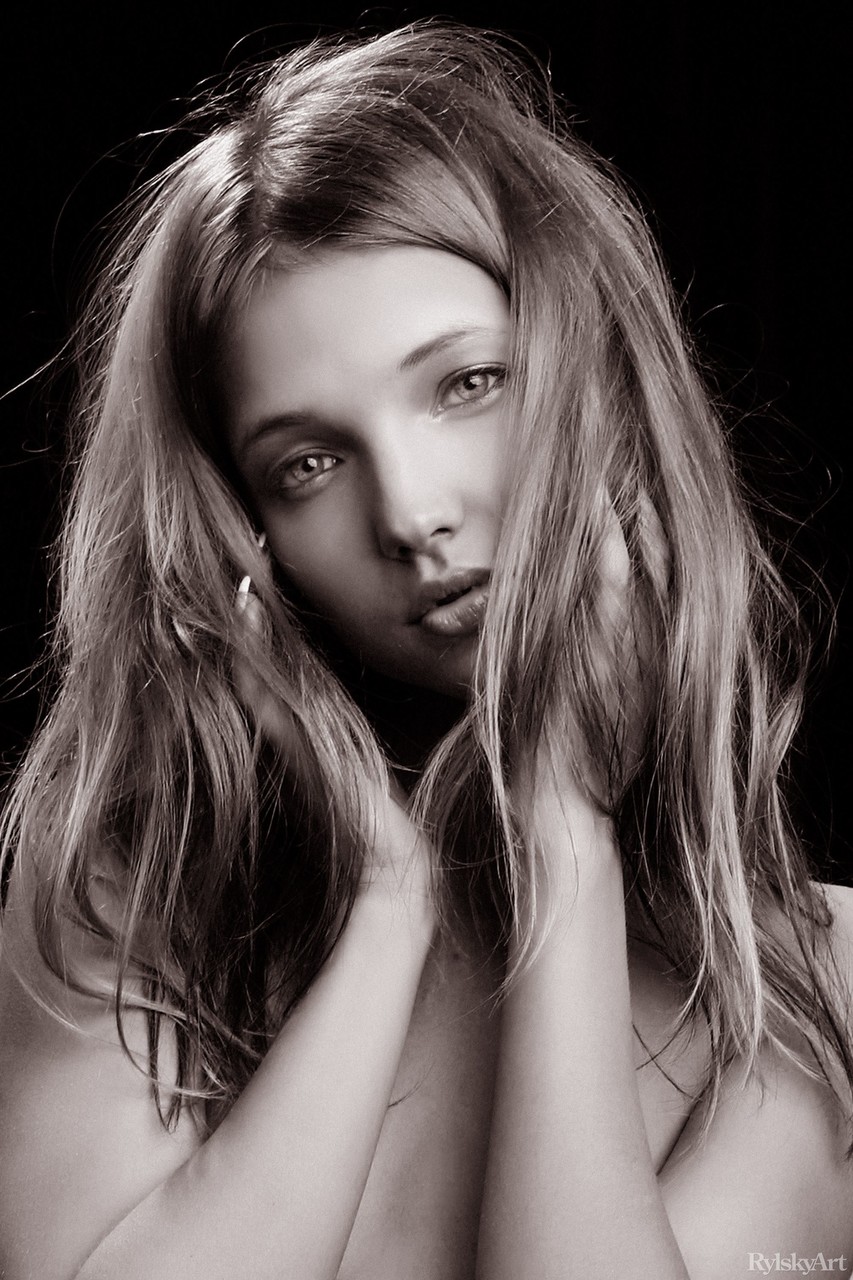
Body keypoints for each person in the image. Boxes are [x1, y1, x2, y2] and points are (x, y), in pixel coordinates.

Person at [0, 22, 851, 1280]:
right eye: (308, 461)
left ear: (602, 380)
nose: (408, 513)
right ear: (243, 528)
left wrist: (564, 835)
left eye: (467, 384)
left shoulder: (813, 987)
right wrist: (385, 905)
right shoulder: (127, 886)